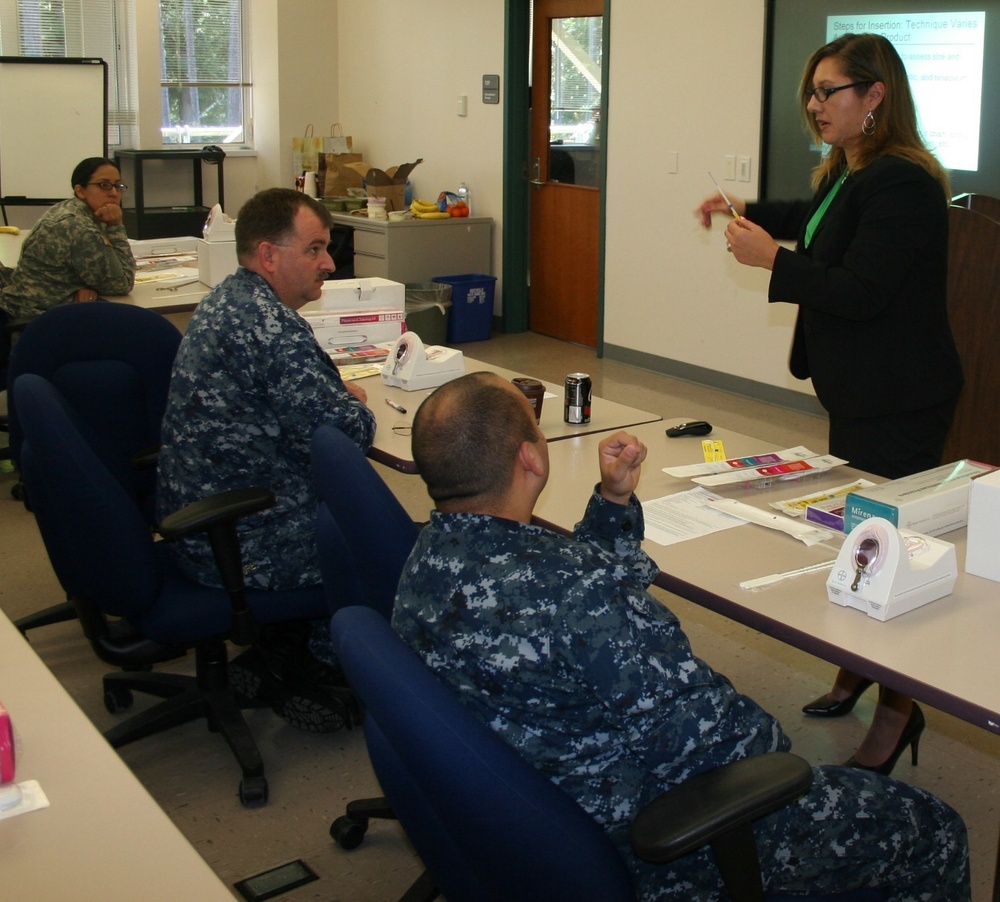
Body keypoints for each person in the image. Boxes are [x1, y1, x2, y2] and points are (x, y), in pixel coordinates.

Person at [392, 372, 969, 900]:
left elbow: (559, 594)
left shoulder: (425, 560)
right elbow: (727, 745)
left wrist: (614, 500)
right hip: (646, 839)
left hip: (526, 815)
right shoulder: (579, 593)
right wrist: (774, 746)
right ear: (531, 458)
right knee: (933, 827)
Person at [696, 32, 962, 776]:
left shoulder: (903, 182)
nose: (814, 105)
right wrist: (749, 209)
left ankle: (899, 714)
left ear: (875, 95)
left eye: (829, 91)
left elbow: (861, 289)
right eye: (811, 92)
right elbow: (817, 221)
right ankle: (856, 672)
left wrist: (773, 262)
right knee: (861, 533)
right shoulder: (849, 169)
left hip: (901, 396)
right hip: (861, 389)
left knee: (889, 551)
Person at [156, 187, 376, 730]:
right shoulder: (270, 326)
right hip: (245, 543)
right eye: (315, 249)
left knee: (347, 510)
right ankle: (315, 664)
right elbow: (345, 437)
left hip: (204, 525)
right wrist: (352, 405)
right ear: (268, 255)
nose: (329, 263)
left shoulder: (230, 300)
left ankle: (280, 649)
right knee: (383, 541)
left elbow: (297, 406)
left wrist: (330, 394)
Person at [0, 158, 136, 321]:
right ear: (80, 191)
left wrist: (83, 286)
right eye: (103, 185)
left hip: (32, 307)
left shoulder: (74, 210)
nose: (114, 193)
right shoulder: (77, 225)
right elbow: (122, 284)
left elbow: (94, 268)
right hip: (38, 319)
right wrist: (115, 226)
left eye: (118, 186)